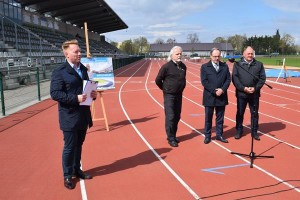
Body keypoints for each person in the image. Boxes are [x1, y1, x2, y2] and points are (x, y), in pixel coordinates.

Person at [50, 39, 97, 190]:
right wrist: (74, 98)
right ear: (66, 54)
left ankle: (77, 169)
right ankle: (67, 175)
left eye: (79, 51)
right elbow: (55, 93)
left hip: (83, 114)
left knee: (79, 144)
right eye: (76, 51)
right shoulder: (60, 71)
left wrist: (93, 94)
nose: (79, 53)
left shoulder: (83, 68)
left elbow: (87, 87)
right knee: (70, 146)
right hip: (69, 116)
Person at [232, 46, 266, 141]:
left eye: (251, 53)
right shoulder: (237, 64)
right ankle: (239, 130)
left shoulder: (259, 64)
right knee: (240, 113)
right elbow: (235, 78)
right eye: (248, 53)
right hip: (242, 94)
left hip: (254, 94)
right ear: (244, 54)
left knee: (254, 113)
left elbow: (262, 78)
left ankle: (254, 132)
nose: (250, 55)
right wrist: (243, 88)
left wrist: (255, 88)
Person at [155, 46, 186, 147]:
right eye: (177, 54)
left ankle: (174, 135)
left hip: (179, 95)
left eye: (180, 54)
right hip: (169, 95)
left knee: (177, 116)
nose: (179, 55)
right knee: (170, 116)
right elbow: (158, 80)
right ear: (172, 55)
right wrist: (165, 89)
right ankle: (170, 138)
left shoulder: (183, 66)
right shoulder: (166, 67)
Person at [201, 48, 231, 144]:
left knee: (220, 118)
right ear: (210, 56)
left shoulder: (224, 66)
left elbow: (228, 80)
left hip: (221, 96)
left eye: (218, 56)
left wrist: (222, 89)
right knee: (208, 118)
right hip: (209, 96)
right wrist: (214, 91)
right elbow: (204, 81)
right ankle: (208, 136)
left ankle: (219, 135)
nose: (217, 58)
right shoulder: (205, 67)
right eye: (214, 56)